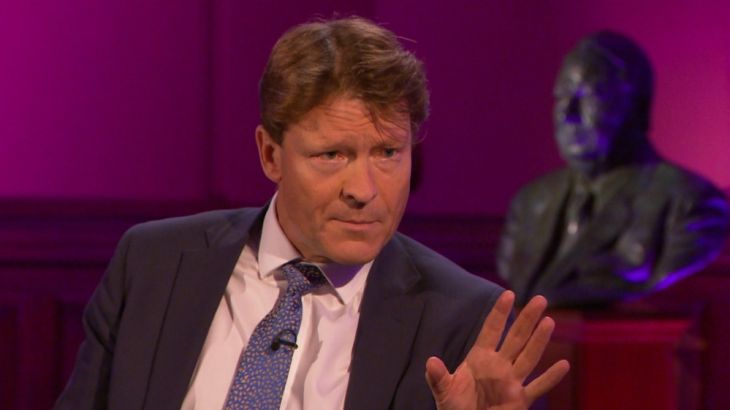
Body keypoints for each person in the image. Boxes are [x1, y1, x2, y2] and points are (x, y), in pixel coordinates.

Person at [55, 17, 568, 409]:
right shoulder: (153, 263)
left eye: (388, 152)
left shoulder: (465, 319)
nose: (364, 190)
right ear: (270, 155)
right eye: (333, 155)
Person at [497, 31, 730, 308]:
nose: (568, 113)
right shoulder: (529, 204)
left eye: (589, 95)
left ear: (635, 104)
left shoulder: (689, 204)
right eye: (561, 96)